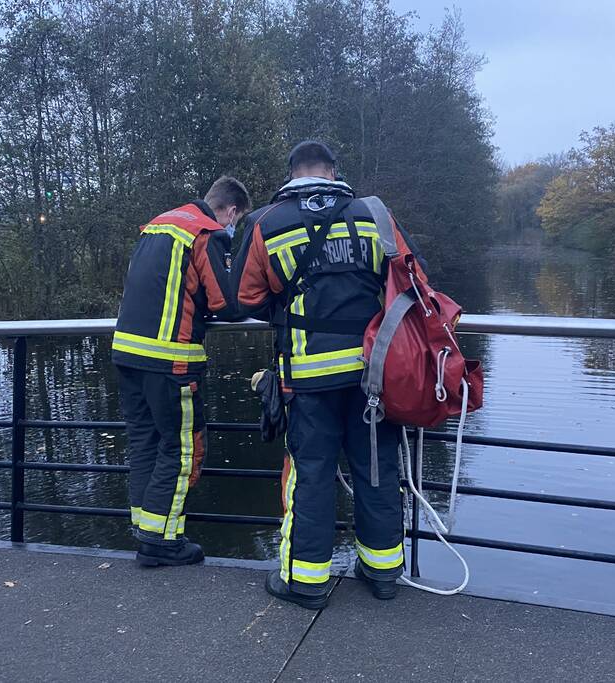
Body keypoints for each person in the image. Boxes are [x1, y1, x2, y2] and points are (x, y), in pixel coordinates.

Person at [232, 141, 422, 608]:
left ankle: (307, 583)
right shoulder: (373, 214)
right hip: (373, 374)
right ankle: (382, 574)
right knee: (377, 468)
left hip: (308, 375)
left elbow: (244, 298)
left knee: (311, 474)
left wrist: (288, 305)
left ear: (291, 173)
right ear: (334, 171)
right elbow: (410, 280)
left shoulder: (264, 222)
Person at [112, 176, 251, 567]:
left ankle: (145, 529)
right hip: (170, 360)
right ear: (232, 211)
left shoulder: (160, 223)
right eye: (235, 222)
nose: (232, 228)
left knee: (144, 444)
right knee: (181, 448)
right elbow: (226, 301)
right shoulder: (207, 232)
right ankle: (161, 542)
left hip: (127, 353)